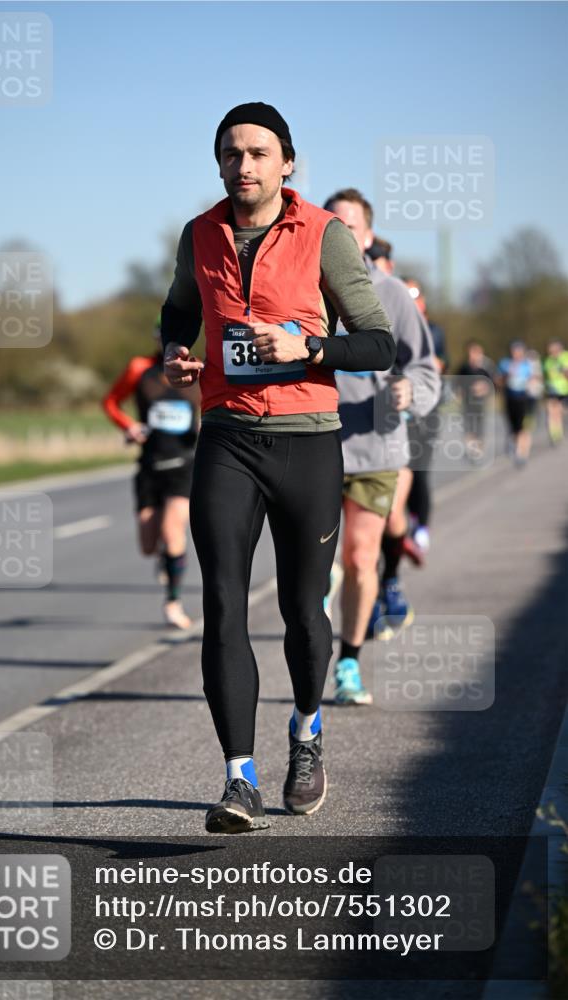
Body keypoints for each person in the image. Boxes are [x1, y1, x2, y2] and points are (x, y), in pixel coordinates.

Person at [161, 102, 395, 833]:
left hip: (307, 441)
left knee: (302, 609)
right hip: (227, 436)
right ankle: (238, 779)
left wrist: (308, 348)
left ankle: (305, 727)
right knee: (224, 604)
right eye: (231, 153)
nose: (244, 165)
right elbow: (177, 312)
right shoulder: (198, 236)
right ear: (219, 163)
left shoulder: (323, 235)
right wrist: (174, 354)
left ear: (286, 162)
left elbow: (378, 344)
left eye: (258, 153)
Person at [322, 189, 440, 705]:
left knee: (361, 554)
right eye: (334, 226)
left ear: (368, 238)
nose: (343, 235)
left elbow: (423, 367)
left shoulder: (392, 294)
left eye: (352, 227)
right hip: (312, 444)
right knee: (312, 567)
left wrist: (410, 390)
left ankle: (348, 661)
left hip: (375, 445)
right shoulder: (303, 291)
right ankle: (311, 659)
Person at [102, 321, 200, 629]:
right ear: (157, 339)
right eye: (163, 338)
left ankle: (173, 602)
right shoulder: (139, 368)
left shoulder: (198, 370)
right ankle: (164, 558)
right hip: (150, 464)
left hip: (184, 464)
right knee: (147, 544)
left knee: (173, 531)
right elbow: (110, 402)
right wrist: (128, 426)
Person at [403, 278, 449, 553]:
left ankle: (422, 526)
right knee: (400, 472)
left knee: (419, 471)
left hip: (425, 410)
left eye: (414, 297)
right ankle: (408, 519)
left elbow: (439, 364)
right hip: (396, 411)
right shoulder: (393, 326)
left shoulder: (434, 331)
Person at [455, 340, 496, 463]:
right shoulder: (464, 367)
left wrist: (484, 389)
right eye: (471, 352)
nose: (473, 355)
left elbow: (494, 384)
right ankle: (472, 451)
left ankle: (478, 449)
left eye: (476, 352)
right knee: (468, 427)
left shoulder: (487, 367)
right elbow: (457, 383)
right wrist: (459, 394)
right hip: (467, 402)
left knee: (479, 428)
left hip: (481, 403)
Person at [496, 340, 535, 466]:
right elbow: (498, 381)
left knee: (523, 427)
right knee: (513, 428)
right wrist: (507, 376)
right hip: (509, 398)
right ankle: (514, 444)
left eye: (518, 351)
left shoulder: (527, 364)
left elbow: (533, 380)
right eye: (514, 350)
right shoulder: (505, 363)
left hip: (523, 399)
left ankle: (522, 453)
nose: (516, 353)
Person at [543, 339, 568, 444]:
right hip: (553, 391)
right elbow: (546, 376)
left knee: (562, 412)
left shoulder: (565, 357)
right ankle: (555, 434)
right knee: (552, 412)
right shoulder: (548, 361)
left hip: (565, 390)